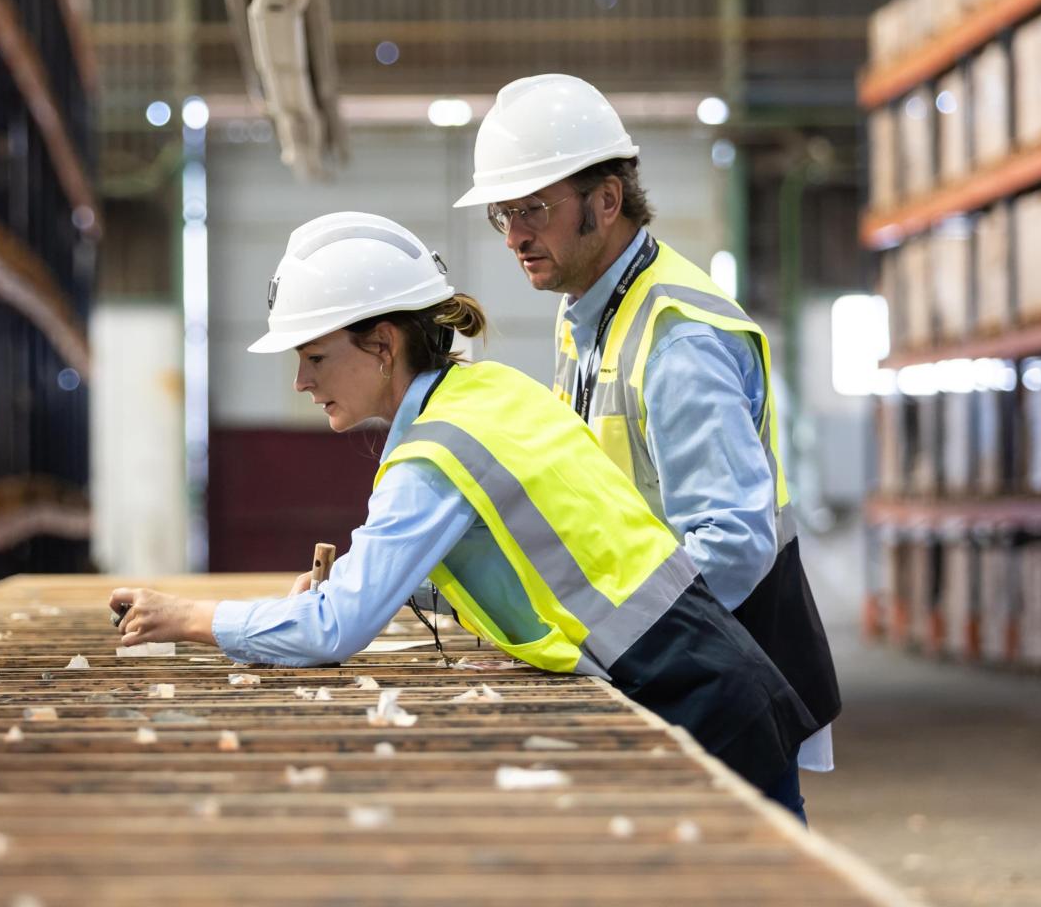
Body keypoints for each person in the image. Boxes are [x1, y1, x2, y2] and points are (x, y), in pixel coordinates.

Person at [108, 211, 818, 792]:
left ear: (383, 344)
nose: (301, 381)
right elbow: (532, 549)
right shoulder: (487, 390)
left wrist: (188, 617)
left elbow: (332, 629)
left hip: (697, 699)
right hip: (712, 677)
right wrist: (392, 585)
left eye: (316, 357)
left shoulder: (435, 454)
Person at [451, 73, 840, 819]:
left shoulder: (678, 339)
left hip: (723, 689)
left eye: (533, 208)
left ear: (607, 199)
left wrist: (601, 644)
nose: (513, 236)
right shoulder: (588, 318)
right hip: (676, 674)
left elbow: (731, 545)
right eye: (503, 212)